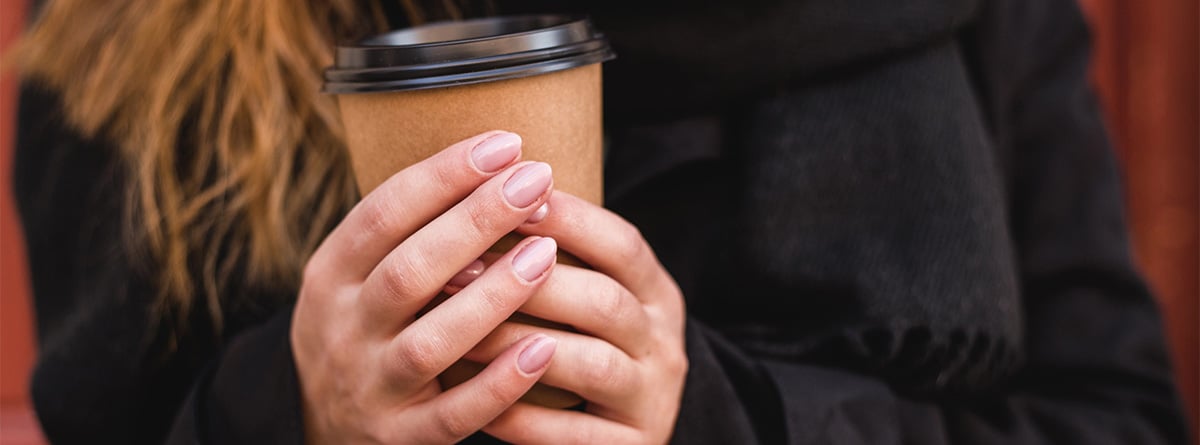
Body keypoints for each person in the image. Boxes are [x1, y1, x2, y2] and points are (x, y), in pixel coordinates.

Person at [13, 0, 1190, 443]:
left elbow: (1117, 421)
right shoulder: (141, 47)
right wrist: (294, 409)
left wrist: (725, 422)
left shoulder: (973, 17)